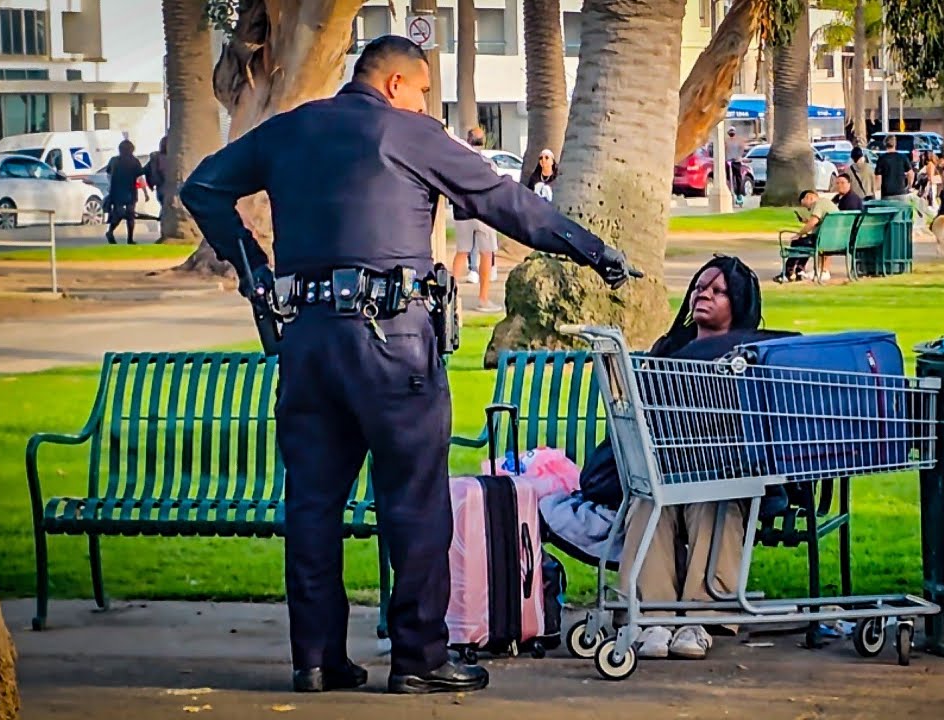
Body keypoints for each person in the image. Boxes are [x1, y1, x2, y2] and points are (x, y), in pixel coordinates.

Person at [179, 35, 637, 696]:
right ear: (397, 85)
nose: (426, 105)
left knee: (312, 505)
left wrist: (256, 273)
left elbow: (203, 189)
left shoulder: (290, 130)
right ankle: (419, 658)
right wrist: (593, 250)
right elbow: (507, 203)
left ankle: (315, 658)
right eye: (423, 92)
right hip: (393, 344)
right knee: (414, 503)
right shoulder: (408, 134)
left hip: (307, 341)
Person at [617, 256, 772, 660]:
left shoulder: (750, 356)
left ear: (737, 303)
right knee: (648, 502)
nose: (704, 294)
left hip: (723, 471)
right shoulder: (669, 349)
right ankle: (653, 618)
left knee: (712, 504)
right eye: (700, 287)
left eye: (718, 290)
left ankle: (697, 620)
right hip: (668, 470)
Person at [452, 127, 500, 311]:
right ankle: (483, 299)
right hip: (483, 213)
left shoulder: (458, 163)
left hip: (462, 212)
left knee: (461, 252)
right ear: (483, 141)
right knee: (486, 254)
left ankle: (451, 297)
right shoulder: (488, 163)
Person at [775, 189, 839, 283]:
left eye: (807, 206)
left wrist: (799, 234)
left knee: (797, 241)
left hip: (823, 240)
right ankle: (800, 270)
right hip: (836, 239)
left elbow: (813, 222)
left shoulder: (819, 203)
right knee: (805, 241)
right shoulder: (828, 203)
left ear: (809, 197)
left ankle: (788, 273)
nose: (809, 209)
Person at [104, 140, 145, 245]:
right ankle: (116, 234)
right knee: (125, 214)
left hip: (120, 191)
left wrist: (110, 186)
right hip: (127, 191)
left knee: (124, 214)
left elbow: (108, 174)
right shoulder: (133, 161)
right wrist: (145, 192)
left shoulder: (115, 160)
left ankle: (128, 238)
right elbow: (140, 177)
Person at [873, 135, 913, 201]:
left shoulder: (882, 159)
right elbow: (911, 173)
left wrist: (877, 190)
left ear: (885, 144)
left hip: (887, 194)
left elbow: (878, 178)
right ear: (895, 144)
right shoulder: (903, 157)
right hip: (901, 193)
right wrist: (909, 186)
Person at [144, 136, 169, 219]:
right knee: (167, 205)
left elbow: (146, 170)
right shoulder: (172, 157)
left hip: (160, 185)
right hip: (165, 185)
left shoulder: (156, 157)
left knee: (165, 205)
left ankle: (163, 219)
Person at [724, 127, 748, 206]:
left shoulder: (739, 141)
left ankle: (739, 195)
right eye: (730, 132)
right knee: (729, 178)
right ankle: (729, 193)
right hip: (728, 162)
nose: (731, 133)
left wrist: (739, 156)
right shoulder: (726, 141)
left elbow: (742, 149)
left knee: (738, 179)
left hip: (737, 161)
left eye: (732, 131)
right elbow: (724, 150)